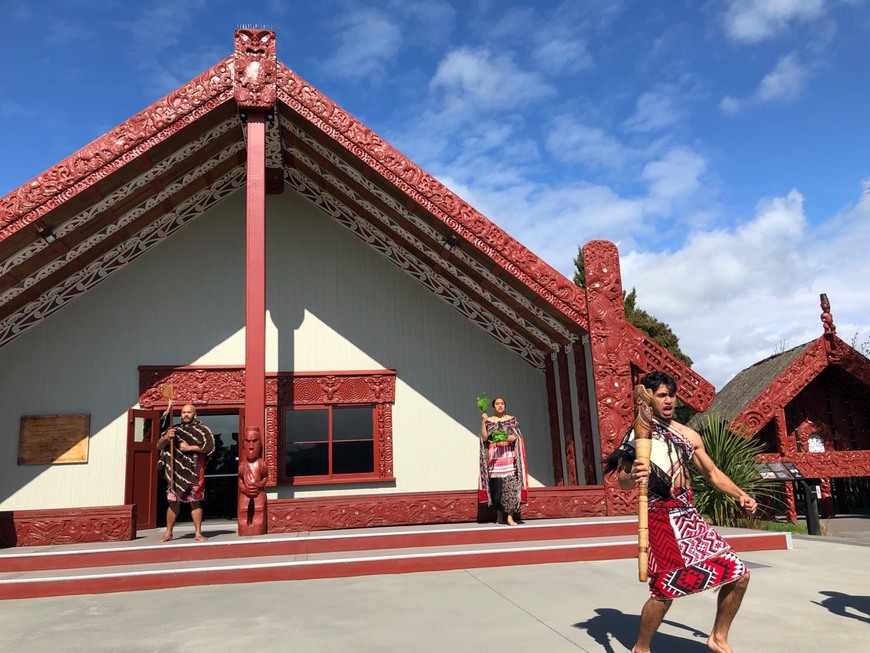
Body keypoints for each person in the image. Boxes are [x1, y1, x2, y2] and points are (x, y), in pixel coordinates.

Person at [604, 371, 757, 653]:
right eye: (662, 395)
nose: (669, 400)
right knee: (664, 592)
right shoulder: (638, 433)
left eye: (671, 395)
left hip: (688, 514)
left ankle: (718, 637)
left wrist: (741, 494)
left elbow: (712, 473)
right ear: (648, 398)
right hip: (659, 516)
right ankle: (641, 648)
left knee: (739, 574)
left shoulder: (687, 434)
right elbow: (624, 482)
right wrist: (636, 474)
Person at [156, 403, 216, 542]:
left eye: (189, 412)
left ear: (195, 414)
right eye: (183, 412)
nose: (186, 415)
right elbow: (159, 445)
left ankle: (198, 533)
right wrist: (166, 438)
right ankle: (168, 533)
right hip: (176, 473)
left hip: (195, 472)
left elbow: (209, 446)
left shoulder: (203, 430)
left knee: (195, 502)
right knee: (173, 502)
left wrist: (189, 448)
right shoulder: (174, 430)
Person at [478, 397, 529, 526]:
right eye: (497, 404)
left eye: (502, 404)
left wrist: (508, 437)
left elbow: (516, 436)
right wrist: (483, 422)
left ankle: (510, 517)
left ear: (505, 406)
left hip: (508, 460)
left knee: (510, 489)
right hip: (495, 461)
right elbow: (484, 437)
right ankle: (499, 514)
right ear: (493, 407)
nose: (500, 406)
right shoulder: (489, 421)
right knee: (497, 491)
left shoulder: (512, 420)